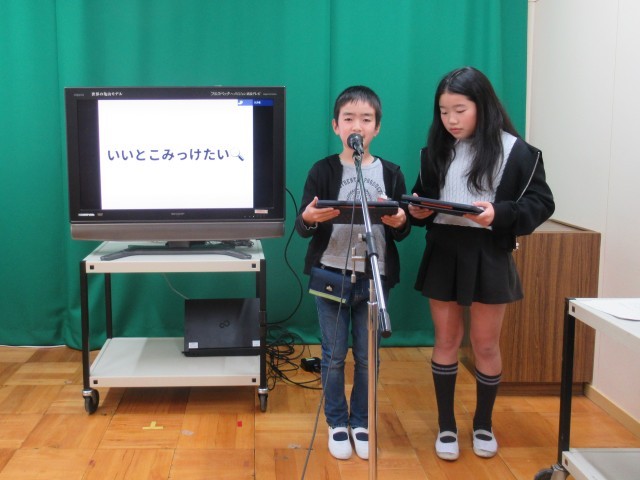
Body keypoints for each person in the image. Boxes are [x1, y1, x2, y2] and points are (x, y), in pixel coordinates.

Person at [407, 67, 554, 461]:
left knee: (486, 343)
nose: (451, 120)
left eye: (460, 110)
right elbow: (424, 198)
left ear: (483, 106)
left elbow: (541, 204)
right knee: (446, 341)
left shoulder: (517, 151)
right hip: (444, 248)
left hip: (489, 251)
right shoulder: (435, 151)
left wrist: (498, 214)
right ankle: (446, 426)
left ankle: (483, 423)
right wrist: (419, 210)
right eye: (443, 112)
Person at [295, 85, 410, 460]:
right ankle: (336, 422)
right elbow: (303, 225)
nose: (356, 125)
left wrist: (400, 220)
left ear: (377, 127)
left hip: (375, 278)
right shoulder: (322, 170)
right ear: (335, 126)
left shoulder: (391, 173)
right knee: (333, 356)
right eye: (348, 118)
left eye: (365, 119)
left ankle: (360, 421)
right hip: (331, 274)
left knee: (366, 356)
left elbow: (402, 229)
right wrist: (309, 217)